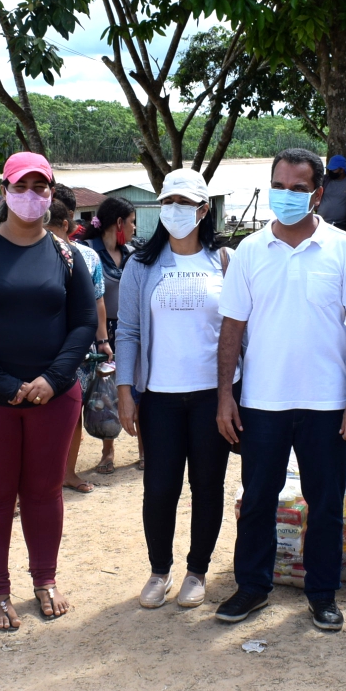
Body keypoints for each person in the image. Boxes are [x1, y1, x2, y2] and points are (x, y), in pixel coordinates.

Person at [215, 148, 346, 631]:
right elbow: (231, 330)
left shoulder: (345, 249)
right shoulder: (248, 251)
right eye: (279, 187)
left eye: (298, 189)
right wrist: (226, 394)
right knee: (258, 496)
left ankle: (322, 593)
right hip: (262, 402)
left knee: (325, 502)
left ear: (318, 195)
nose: (286, 196)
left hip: (327, 403)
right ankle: (252, 587)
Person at [0, 152, 97, 631]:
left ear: (51, 193)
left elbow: (84, 322)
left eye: (41, 186)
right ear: (4, 191)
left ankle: (45, 580)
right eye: (22, 186)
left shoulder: (67, 255)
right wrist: (4, 383)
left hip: (54, 396)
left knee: (45, 491)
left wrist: (52, 378)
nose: (32, 195)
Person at [115, 169, 234, 610]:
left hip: (212, 397)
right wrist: (126, 389)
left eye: (185, 203)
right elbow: (127, 331)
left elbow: (240, 330)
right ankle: (159, 570)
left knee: (208, 485)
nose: (175, 211)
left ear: (203, 210)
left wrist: (235, 391)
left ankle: (197, 570)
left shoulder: (224, 262)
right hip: (159, 398)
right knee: (160, 487)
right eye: (168, 202)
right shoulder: (141, 267)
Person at [51, 186, 109, 493]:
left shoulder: (87, 257)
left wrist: (103, 342)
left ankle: (67, 472)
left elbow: (97, 302)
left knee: (72, 414)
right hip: (37, 348)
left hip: (78, 350)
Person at [80, 196, 138, 473]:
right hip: (98, 335)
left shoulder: (132, 254)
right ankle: (108, 450)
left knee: (136, 388)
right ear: (119, 223)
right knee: (103, 395)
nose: (135, 229)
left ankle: (143, 449)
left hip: (128, 331)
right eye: (132, 222)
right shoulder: (87, 252)